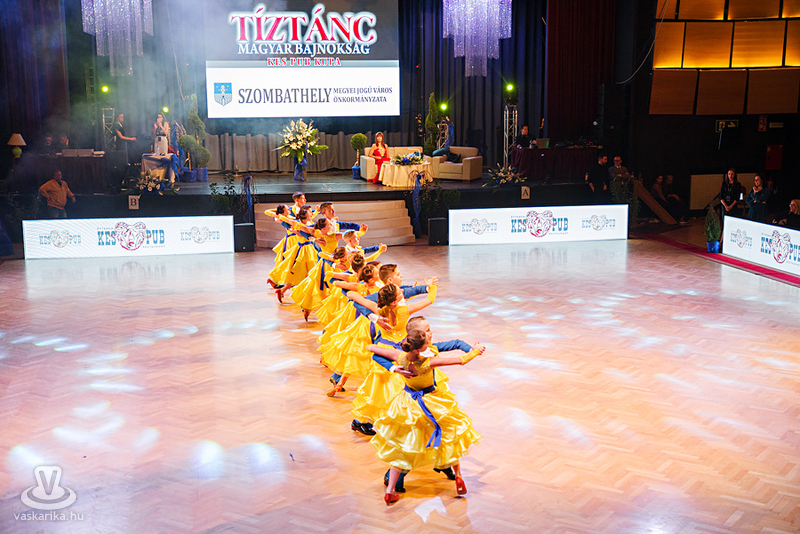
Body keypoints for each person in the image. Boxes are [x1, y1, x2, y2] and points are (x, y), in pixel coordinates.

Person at [368, 327, 484, 505]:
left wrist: (394, 368)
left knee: (404, 447)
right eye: (426, 344)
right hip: (431, 403)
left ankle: (390, 490)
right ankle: (458, 476)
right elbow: (462, 360)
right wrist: (475, 350)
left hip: (408, 405)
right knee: (448, 438)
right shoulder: (427, 363)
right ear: (417, 350)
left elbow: (371, 348)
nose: (429, 344)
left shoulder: (399, 356)